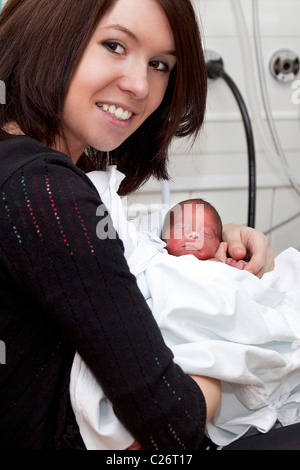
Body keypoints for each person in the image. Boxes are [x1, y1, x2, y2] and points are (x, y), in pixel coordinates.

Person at [0, 0, 275, 450]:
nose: (139, 84)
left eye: (159, 64)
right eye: (114, 45)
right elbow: (172, 428)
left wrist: (207, 242)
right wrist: (220, 370)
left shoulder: (25, 168)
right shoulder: (47, 190)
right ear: (46, 35)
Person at [71, 166, 300, 450]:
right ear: (164, 238)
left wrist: (235, 264)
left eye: (203, 232)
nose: (192, 236)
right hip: (176, 371)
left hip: (214, 346)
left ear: (219, 242)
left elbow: (247, 291)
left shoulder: (220, 263)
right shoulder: (156, 258)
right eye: (182, 230)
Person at [161, 198, 247, 269]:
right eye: (182, 229)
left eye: (205, 234)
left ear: (218, 245)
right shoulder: (160, 258)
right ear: (163, 237)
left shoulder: (218, 266)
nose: (194, 235)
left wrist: (229, 269)